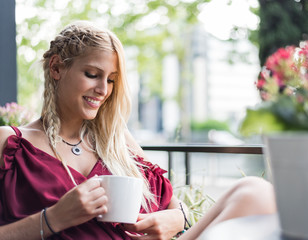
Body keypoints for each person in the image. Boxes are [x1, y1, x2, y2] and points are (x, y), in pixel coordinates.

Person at [0, 21, 276, 240]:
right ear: (57, 67)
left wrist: (177, 219)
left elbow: (174, 206)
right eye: (92, 74)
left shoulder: (116, 141)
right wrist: (54, 219)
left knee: (255, 191)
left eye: (111, 80)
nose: (103, 90)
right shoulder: (9, 143)